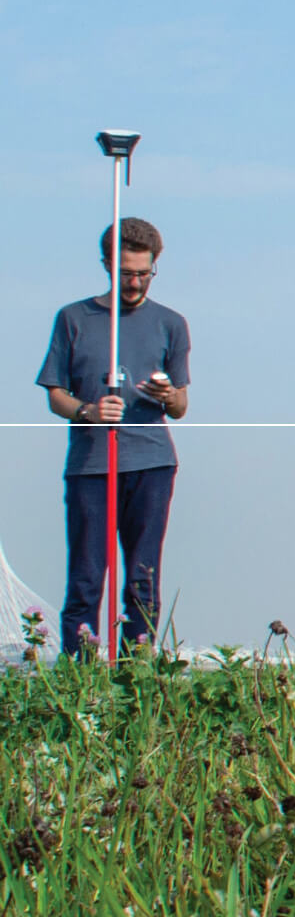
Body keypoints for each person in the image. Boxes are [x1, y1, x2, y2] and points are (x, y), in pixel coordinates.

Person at [35, 217, 189, 659]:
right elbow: (55, 395)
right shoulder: (72, 319)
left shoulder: (171, 324)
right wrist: (88, 410)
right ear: (106, 265)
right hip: (91, 464)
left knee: (143, 576)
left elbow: (179, 408)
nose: (136, 282)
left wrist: (167, 394)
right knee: (86, 576)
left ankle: (134, 673)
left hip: (151, 462)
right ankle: (81, 676)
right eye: (126, 273)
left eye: (144, 273)